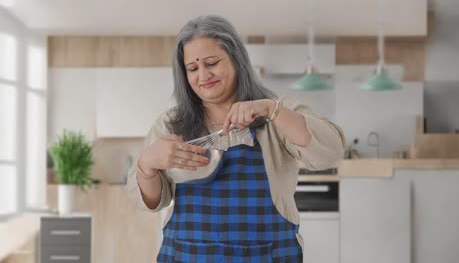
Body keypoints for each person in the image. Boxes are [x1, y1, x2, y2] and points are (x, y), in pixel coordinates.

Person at [127, 15, 345, 262]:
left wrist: (271, 110)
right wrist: (147, 165)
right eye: (193, 68)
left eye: (212, 63)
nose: (203, 75)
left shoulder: (277, 112)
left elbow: (330, 152)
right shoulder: (170, 124)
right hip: (187, 255)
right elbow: (152, 203)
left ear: (236, 59)